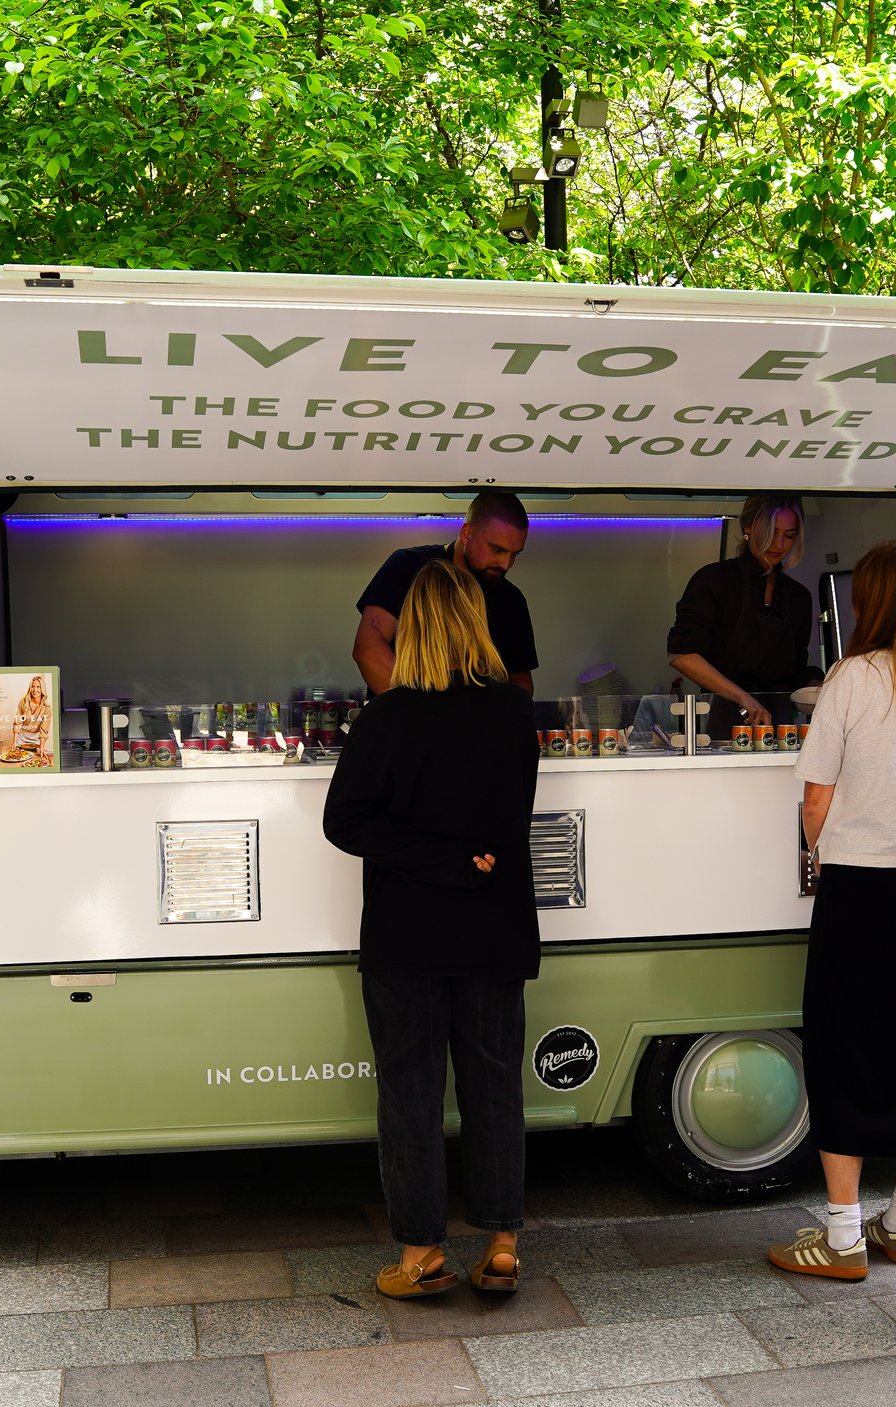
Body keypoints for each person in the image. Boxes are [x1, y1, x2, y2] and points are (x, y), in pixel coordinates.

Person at [323, 559, 541, 1300]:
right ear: (479, 623)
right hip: (495, 927)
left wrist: (433, 858)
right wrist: (463, 859)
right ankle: (502, 1247)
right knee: (495, 1086)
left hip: (407, 932)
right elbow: (508, 815)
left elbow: (344, 823)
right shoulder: (513, 714)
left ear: (411, 628)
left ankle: (421, 1256)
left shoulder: (387, 718)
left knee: (411, 1093)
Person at [765, 539, 896, 1282]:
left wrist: (816, 854)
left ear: (875, 600)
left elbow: (816, 796)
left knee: (842, 1044)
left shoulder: (852, 676)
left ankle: (843, 1235)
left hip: (862, 883)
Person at [667, 495, 825, 734]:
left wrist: (816, 686)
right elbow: (682, 654)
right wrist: (741, 697)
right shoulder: (714, 580)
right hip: (724, 716)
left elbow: (795, 670)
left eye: (789, 535)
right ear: (748, 527)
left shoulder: (798, 596)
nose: (778, 544)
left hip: (780, 722)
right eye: (771, 532)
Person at [355, 493, 537, 695]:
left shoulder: (511, 600)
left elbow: (520, 680)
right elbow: (368, 649)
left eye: (514, 554)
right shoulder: (407, 566)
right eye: (497, 550)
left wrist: (498, 711)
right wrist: (412, 710)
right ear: (467, 533)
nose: (506, 564)